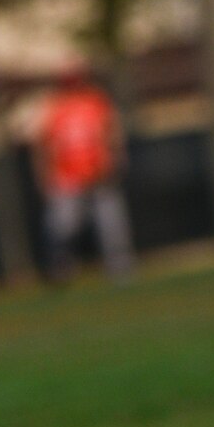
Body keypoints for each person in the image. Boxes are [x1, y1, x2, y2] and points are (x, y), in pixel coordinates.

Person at [33, 65, 134, 282]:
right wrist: (44, 175)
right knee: (63, 227)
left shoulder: (95, 101)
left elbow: (111, 132)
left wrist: (116, 159)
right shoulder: (54, 108)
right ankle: (59, 268)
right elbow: (42, 145)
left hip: (99, 172)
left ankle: (121, 271)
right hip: (67, 176)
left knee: (111, 224)